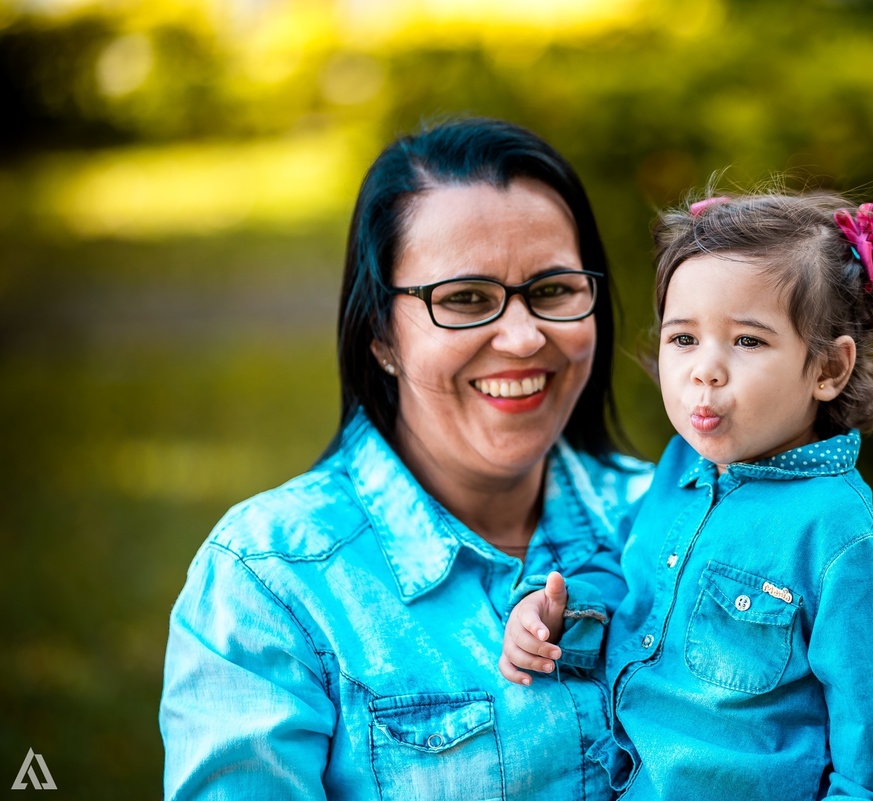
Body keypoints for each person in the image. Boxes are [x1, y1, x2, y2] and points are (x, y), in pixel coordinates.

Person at [159, 117, 652, 800]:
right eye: (465, 299)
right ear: (380, 336)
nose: (521, 335)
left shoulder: (677, 525)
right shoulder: (268, 582)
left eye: (553, 290)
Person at [502, 190, 873, 800]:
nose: (705, 369)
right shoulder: (681, 469)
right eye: (683, 339)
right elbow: (632, 586)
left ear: (828, 369)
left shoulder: (842, 542)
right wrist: (559, 617)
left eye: (747, 341)